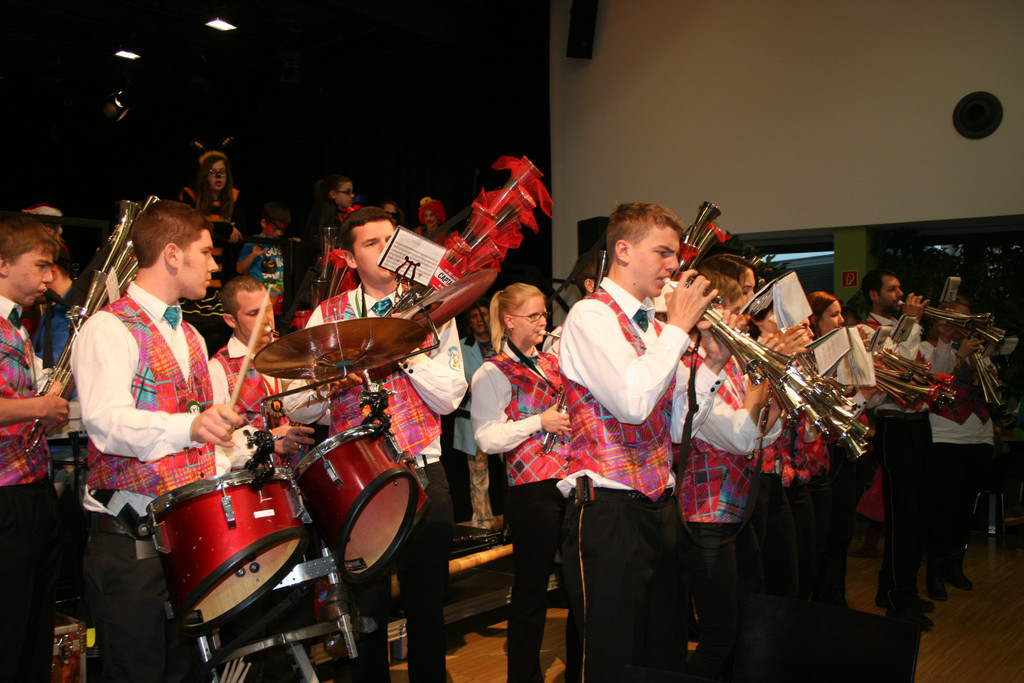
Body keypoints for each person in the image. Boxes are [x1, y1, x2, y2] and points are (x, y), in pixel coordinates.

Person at [557, 201, 730, 682]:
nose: (674, 265)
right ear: (624, 250)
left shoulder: (654, 327)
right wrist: (678, 330)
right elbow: (632, 403)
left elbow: (675, 427)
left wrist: (713, 365)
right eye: (663, 252)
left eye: (674, 254)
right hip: (609, 511)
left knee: (663, 654)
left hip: (661, 505)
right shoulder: (590, 316)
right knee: (612, 659)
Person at [71, 200, 244, 681]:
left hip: (183, 539)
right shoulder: (107, 328)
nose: (214, 265)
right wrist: (189, 427)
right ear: (172, 254)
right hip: (129, 546)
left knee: (185, 671)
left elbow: (203, 437)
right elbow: (105, 424)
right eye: (205, 253)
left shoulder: (191, 334)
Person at [303, 206, 466, 683]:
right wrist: (329, 385)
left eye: (390, 241)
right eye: (370, 244)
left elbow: (451, 397)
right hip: (358, 480)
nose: (385, 251)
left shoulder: (432, 309)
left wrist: (402, 350)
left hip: (423, 468)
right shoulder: (328, 315)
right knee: (367, 611)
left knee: (427, 608)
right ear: (350, 258)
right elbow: (300, 408)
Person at [675, 270, 782, 681]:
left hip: (734, 510)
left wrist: (776, 400)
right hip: (706, 514)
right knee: (718, 637)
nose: (741, 321)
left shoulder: (732, 366)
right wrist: (764, 390)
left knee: (744, 622)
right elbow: (739, 438)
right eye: (735, 311)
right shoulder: (691, 367)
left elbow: (758, 436)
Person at [471, 284, 580, 683]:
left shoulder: (553, 361)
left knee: (579, 588)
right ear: (510, 321)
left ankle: (580, 671)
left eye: (544, 314)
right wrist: (539, 422)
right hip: (532, 490)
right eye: (534, 315)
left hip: (572, 481)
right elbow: (486, 437)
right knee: (531, 590)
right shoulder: (491, 371)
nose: (543, 321)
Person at [0, 214, 69, 683]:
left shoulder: (18, 326)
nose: (49, 277)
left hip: (33, 487)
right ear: (4, 264)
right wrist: (38, 406)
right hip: (6, 497)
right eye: (41, 265)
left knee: (32, 629)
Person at [859, 268, 934, 629]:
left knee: (916, 515)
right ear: (874, 295)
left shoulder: (903, 327)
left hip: (918, 424)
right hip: (894, 426)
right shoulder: (866, 332)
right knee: (902, 516)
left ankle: (899, 588)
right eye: (892, 289)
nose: (900, 294)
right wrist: (912, 325)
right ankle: (897, 598)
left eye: (900, 288)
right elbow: (898, 370)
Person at [919, 295, 993, 600]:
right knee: (943, 509)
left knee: (965, 510)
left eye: (964, 319)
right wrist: (959, 355)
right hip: (945, 437)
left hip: (979, 436)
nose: (957, 324)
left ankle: (955, 564)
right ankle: (934, 571)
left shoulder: (979, 351)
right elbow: (936, 385)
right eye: (952, 318)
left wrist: (983, 362)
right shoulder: (927, 348)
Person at [209, 275, 316, 472]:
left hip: (298, 476)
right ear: (230, 320)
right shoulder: (217, 369)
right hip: (253, 483)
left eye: (268, 309)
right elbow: (213, 445)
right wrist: (267, 441)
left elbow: (317, 414)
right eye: (253, 314)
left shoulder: (289, 353)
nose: (267, 321)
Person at [179, 150, 246, 355]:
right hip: (194, 276)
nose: (218, 176)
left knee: (217, 333)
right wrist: (224, 229)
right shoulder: (190, 197)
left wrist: (220, 230)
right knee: (192, 331)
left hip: (220, 277)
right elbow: (192, 226)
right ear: (204, 175)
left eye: (222, 172)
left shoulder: (232, 201)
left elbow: (240, 233)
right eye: (212, 172)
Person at [453, 298, 498, 528]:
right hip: (474, 418)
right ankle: (482, 522)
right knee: (479, 475)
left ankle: (511, 520)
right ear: (469, 322)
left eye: (483, 315)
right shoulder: (460, 346)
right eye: (474, 317)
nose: (480, 320)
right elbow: (453, 382)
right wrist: (469, 388)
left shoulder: (502, 343)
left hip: (504, 416)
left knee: (510, 472)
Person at [236, 202, 290, 316]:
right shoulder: (254, 241)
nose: (278, 233)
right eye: (275, 228)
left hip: (279, 298)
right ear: (264, 222)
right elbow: (240, 268)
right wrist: (253, 255)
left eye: (282, 230)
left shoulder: (280, 243)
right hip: (259, 297)